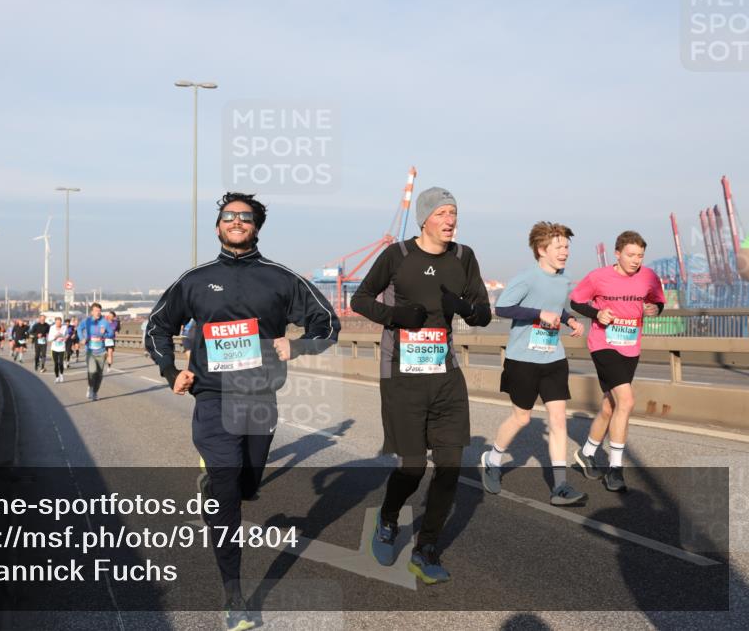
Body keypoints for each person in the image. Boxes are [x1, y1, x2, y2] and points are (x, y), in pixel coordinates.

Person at [146, 192, 340, 631]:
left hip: (258, 396)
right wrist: (169, 369)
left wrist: (298, 343)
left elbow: (327, 323)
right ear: (217, 226)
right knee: (227, 485)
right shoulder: (196, 279)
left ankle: (223, 481)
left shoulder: (280, 278)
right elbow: (157, 326)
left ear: (256, 226)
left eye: (245, 217)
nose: (236, 222)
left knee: (249, 481)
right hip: (212, 396)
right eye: (228, 216)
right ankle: (234, 594)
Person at [351, 186, 491, 585]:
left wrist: (465, 308)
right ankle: (389, 516)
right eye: (443, 213)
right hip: (401, 374)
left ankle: (426, 549)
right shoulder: (397, 255)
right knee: (412, 468)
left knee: (449, 468)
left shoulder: (464, 257)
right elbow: (360, 298)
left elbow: (483, 312)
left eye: (454, 213)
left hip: (445, 374)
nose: (451, 220)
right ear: (425, 218)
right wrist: (395, 316)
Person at [478, 222, 588, 506]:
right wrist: (539, 313)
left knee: (558, 420)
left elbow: (555, 306)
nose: (565, 252)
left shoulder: (563, 279)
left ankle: (560, 486)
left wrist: (569, 319)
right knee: (522, 418)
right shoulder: (527, 277)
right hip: (523, 360)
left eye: (567, 247)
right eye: (559, 247)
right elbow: (502, 308)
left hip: (553, 358)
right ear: (542, 250)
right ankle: (493, 458)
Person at [570, 231, 665, 493]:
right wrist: (596, 313)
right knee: (627, 400)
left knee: (610, 405)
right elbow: (576, 301)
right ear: (617, 253)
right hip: (604, 345)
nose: (636, 260)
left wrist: (655, 309)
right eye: (631, 255)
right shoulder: (598, 277)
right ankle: (615, 468)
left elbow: (657, 301)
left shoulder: (648, 276)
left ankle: (586, 453)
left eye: (640, 256)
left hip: (631, 347)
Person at [79, 303, 112, 401]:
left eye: (99, 310)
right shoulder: (87, 321)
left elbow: (111, 333)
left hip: (101, 352)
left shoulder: (105, 322)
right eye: (96, 310)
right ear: (92, 312)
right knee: (92, 371)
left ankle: (95, 392)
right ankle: (90, 387)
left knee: (99, 374)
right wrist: (82, 338)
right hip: (90, 351)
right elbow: (79, 329)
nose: (98, 312)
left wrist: (105, 334)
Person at [49, 316, 68, 383]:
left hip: (62, 348)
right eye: (57, 322)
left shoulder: (64, 327)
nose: (58, 323)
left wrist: (64, 337)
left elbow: (67, 335)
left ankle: (61, 375)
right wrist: (56, 336)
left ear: (61, 322)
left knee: (61, 363)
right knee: (56, 363)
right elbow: (49, 339)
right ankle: (57, 377)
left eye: (59, 322)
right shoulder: (52, 328)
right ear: (55, 322)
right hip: (54, 348)